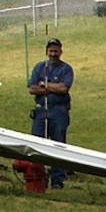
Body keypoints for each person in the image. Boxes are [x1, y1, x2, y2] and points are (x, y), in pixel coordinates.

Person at [28, 37, 75, 188]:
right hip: (41, 110)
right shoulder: (39, 67)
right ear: (46, 51)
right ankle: (37, 177)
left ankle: (57, 180)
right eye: (51, 51)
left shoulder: (66, 69)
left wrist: (45, 84)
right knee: (37, 145)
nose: (53, 54)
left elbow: (64, 88)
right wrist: (52, 87)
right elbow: (32, 88)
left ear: (61, 51)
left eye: (56, 51)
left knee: (58, 145)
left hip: (59, 111)